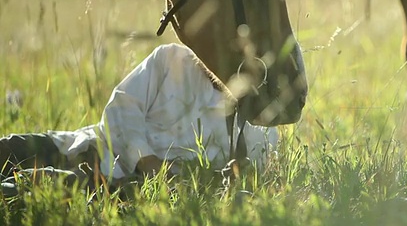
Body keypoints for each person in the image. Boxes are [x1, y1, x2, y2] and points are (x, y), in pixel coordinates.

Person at [0, 43, 277, 187]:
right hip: (87, 147)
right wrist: (147, 159)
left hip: (117, 185)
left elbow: (239, 181)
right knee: (9, 148)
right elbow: (122, 107)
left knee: (28, 186)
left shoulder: (255, 130)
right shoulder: (172, 58)